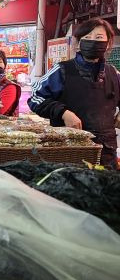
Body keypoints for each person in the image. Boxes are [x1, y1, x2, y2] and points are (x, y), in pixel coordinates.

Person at [29, 18, 120, 169]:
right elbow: (35, 98)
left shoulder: (114, 74)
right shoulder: (61, 70)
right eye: (87, 38)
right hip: (69, 151)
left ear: (108, 43)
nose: (93, 41)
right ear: (78, 44)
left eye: (99, 38)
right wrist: (63, 112)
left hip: (106, 151)